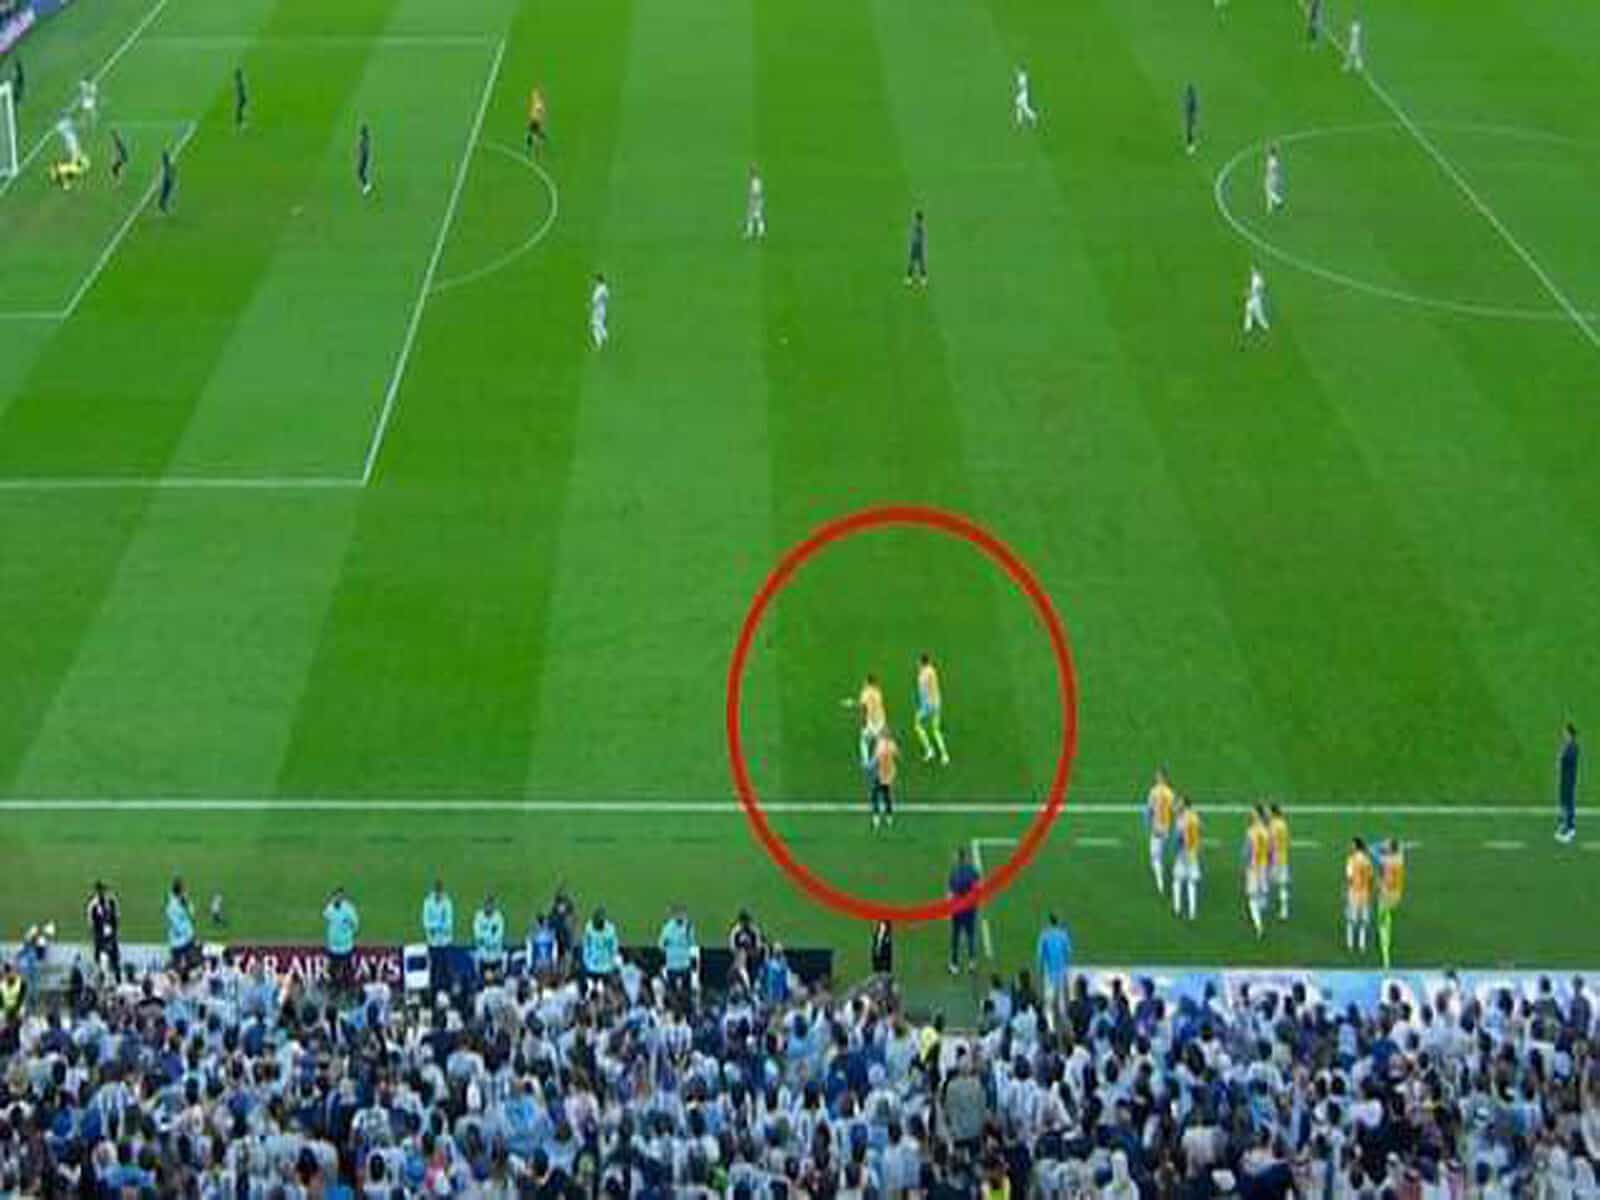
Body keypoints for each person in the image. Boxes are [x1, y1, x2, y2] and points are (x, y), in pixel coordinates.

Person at [842, 673, 888, 770]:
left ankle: (867, 762)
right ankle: (877, 759)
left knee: (864, 741)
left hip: (871, 720)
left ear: (867, 682)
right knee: (879, 740)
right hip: (881, 719)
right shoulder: (878, 692)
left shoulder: (865, 693)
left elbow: (862, 706)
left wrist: (850, 703)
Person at [1035, 913, 1072, 1031]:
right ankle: (1063, 1025)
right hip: (1061, 972)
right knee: (1061, 1002)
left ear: (1049, 921)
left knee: (1050, 1001)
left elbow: (1040, 955)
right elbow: (1068, 952)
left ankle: (1051, 1027)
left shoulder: (1044, 935)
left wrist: (1039, 969)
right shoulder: (1063, 935)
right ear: (1057, 921)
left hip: (1049, 973)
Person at [947, 847, 981, 975]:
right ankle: (972, 962)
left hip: (958, 910)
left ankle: (954, 964)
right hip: (970, 909)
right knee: (970, 935)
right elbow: (978, 888)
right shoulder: (973, 872)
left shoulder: (954, 874)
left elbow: (950, 895)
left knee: (955, 937)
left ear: (958, 858)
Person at [913, 653, 950, 765]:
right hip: (937, 703)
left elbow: (923, 692)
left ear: (921, 662)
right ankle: (944, 755)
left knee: (917, 725)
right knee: (936, 729)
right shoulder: (932, 670)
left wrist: (923, 706)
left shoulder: (922, 676)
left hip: (928, 705)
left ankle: (929, 750)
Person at [1146, 768, 1175, 895]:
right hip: (1167, 827)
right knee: (1161, 853)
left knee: (1155, 856)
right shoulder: (1170, 793)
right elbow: (1174, 810)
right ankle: (1162, 874)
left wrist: (1148, 823)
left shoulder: (1153, 792)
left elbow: (1149, 809)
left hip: (1157, 827)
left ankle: (1160, 882)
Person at [1243, 806, 1271, 938]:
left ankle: (1258, 924)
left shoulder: (1251, 832)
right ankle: (1260, 914)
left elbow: (1247, 851)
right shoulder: (1266, 831)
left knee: (1252, 897)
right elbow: (1270, 851)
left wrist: (1246, 864)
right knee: (1261, 893)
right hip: (1263, 866)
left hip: (1253, 867)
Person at [658, 905, 698, 996]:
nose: (680, 916)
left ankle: (685, 1002)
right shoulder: (668, 927)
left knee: (686, 992)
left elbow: (692, 943)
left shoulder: (688, 926)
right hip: (672, 965)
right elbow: (661, 944)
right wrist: (665, 945)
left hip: (685, 964)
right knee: (672, 992)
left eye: (682, 914)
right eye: (678, 914)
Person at [421, 878, 454, 991]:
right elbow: (426, 923)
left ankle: (447, 990)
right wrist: (439, 925)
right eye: (437, 891)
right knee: (434, 969)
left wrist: (435, 926)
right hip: (433, 942)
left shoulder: (447, 902)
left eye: (440, 891)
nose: (439, 893)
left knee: (447, 969)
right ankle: (433, 991)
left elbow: (449, 924)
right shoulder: (428, 902)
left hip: (445, 942)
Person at [1376, 838, 1404, 968]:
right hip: (1396, 893)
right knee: (1385, 919)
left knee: (1383, 923)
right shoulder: (1399, 858)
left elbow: (1378, 853)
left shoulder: (1387, 861)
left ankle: (1385, 956)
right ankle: (1385, 951)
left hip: (1387, 894)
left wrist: (1380, 885)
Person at [86, 881, 121, 982]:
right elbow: (91, 922)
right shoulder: (93, 905)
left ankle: (117, 978)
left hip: (111, 935)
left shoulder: (111, 902)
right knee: (99, 958)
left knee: (114, 958)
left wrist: (114, 931)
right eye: (100, 891)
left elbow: (116, 917)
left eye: (103, 891)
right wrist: (98, 933)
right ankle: (100, 978)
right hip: (100, 936)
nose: (102, 893)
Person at [1173, 797, 1202, 920]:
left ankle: (1177, 907)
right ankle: (1192, 911)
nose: (1177, 805)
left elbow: (1179, 837)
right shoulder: (1196, 817)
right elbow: (1199, 832)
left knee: (1177, 880)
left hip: (1183, 852)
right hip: (1194, 852)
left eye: (1179, 803)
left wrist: (1177, 848)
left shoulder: (1181, 819)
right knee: (1191, 882)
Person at [1345, 837, 1374, 954]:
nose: (1350, 846)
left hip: (1354, 892)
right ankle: (1362, 945)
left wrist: (1347, 890)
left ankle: (1350, 944)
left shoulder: (1351, 859)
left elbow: (1349, 877)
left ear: (1356, 846)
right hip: (1365, 893)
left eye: (1352, 844)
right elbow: (1371, 877)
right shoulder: (1367, 860)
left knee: (1351, 920)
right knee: (1363, 921)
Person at [581, 906, 619, 989]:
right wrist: (587, 959)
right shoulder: (589, 927)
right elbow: (586, 944)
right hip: (594, 965)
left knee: (603, 986)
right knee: (593, 986)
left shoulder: (610, 930)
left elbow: (613, 947)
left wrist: (611, 959)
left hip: (603, 965)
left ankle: (599, 988)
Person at [869, 728, 900, 830]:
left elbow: (875, 759)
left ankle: (876, 816)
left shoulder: (880, 745)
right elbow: (897, 755)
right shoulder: (892, 745)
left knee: (875, 794)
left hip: (881, 773)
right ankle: (888, 816)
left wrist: (869, 766)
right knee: (886, 795)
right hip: (889, 773)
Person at [165, 877, 196, 972]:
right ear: (180, 891)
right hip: (179, 942)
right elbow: (177, 925)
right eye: (183, 890)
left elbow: (192, 914)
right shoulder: (172, 906)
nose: (185, 892)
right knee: (179, 967)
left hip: (186, 940)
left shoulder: (182, 902)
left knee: (190, 965)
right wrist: (187, 933)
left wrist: (187, 903)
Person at [473, 894, 506, 980]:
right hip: (483, 956)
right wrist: (487, 938)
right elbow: (477, 934)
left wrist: (488, 941)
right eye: (487, 905)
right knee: (482, 980)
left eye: (490, 906)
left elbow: (499, 935)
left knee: (497, 980)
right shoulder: (479, 916)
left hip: (496, 956)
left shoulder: (498, 917)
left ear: (493, 906)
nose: (488, 908)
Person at [1268, 803, 1292, 919]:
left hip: (1274, 857)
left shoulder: (1273, 825)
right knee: (1282, 885)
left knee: (1266, 880)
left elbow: (1271, 842)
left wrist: (1269, 855)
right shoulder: (1283, 824)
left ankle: (1262, 903)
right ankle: (1284, 909)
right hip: (1283, 857)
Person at [1558, 722, 1579, 843]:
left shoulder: (1573, 747)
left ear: (1570, 733)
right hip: (1564, 779)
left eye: (1565, 732)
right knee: (1564, 802)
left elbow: (1567, 760)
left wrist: (1562, 754)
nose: (1563, 734)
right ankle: (1563, 825)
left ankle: (1570, 829)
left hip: (1569, 780)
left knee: (1569, 803)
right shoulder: (1567, 746)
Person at [1243, 266, 1269, 335]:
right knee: (1248, 311)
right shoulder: (1254, 277)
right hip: (1251, 299)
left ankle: (1264, 325)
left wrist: (1249, 293)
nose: (1252, 271)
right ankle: (1247, 327)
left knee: (1258, 313)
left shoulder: (1259, 281)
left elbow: (1259, 290)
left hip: (1256, 300)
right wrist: (1248, 292)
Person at [905, 209, 928, 286]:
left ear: (917, 218)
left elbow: (920, 238)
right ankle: (921, 279)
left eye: (915, 217)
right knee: (917, 263)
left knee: (916, 263)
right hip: (917, 247)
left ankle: (913, 279)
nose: (914, 218)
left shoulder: (919, 226)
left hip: (917, 247)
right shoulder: (918, 225)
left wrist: (912, 245)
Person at [744, 162, 765, 239]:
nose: (749, 173)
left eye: (750, 171)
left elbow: (756, 193)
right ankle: (754, 232)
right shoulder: (754, 180)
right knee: (751, 216)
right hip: (755, 201)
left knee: (756, 216)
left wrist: (754, 203)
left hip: (756, 201)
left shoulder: (755, 182)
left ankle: (759, 232)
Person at [589, 272, 609, 349]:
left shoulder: (599, 290)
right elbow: (606, 298)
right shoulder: (605, 288)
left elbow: (594, 300)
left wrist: (590, 306)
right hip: (603, 309)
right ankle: (604, 338)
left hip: (597, 309)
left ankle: (600, 342)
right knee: (599, 324)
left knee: (596, 325)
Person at [526, 84, 547, 156]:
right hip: (535, 120)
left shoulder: (538, 104)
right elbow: (541, 113)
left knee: (533, 134)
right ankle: (534, 149)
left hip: (535, 120)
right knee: (534, 134)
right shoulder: (539, 103)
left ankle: (532, 149)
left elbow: (539, 112)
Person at [1265, 144, 1284, 212]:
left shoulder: (1273, 160)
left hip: (1272, 177)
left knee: (1269, 191)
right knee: (1269, 191)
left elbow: (1272, 169)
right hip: (1275, 177)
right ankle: (1269, 208)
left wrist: (1269, 175)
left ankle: (1279, 201)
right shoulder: (1273, 158)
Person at [157, 148, 175, 214]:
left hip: (167, 181)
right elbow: (168, 173)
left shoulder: (167, 165)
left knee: (165, 194)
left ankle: (162, 204)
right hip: (167, 181)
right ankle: (162, 205)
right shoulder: (168, 165)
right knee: (165, 194)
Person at [356, 122, 372, 195]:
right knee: (360, 172)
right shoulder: (365, 138)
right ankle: (366, 185)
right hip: (364, 157)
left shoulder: (364, 139)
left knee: (360, 172)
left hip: (364, 157)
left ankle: (367, 186)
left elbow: (364, 149)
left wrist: (361, 154)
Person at [1183, 83, 1199, 155]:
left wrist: (1193, 117)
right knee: (1190, 130)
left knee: (1191, 130)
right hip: (1190, 116)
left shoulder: (1192, 99)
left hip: (1191, 116)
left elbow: (1193, 108)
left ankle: (1191, 145)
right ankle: (1191, 144)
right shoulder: (1190, 98)